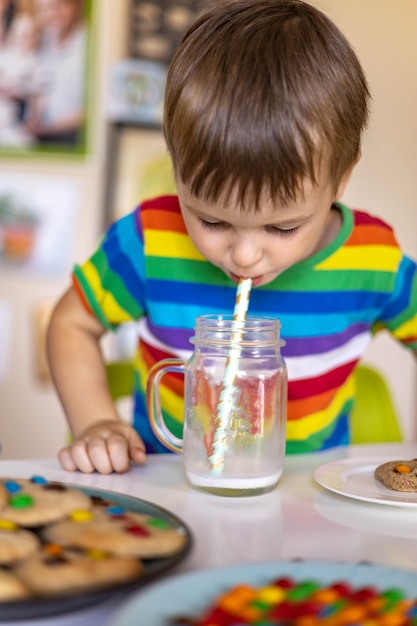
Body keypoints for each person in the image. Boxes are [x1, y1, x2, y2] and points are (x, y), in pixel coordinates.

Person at [47, 0, 417, 475]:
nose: (244, 255)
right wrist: (95, 421)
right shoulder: (149, 240)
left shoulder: (373, 259)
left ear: (341, 178)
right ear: (177, 169)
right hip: (174, 492)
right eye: (212, 221)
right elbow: (71, 324)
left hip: (308, 505)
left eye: (283, 227)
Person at [24, 0, 86, 146]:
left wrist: (48, 129)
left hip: (71, 139)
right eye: (44, 9)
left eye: (58, 6)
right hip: (38, 135)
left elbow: (92, 110)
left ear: (74, 6)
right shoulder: (42, 42)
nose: (51, 13)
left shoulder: (88, 46)